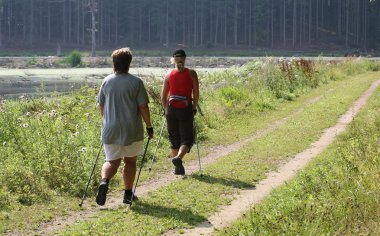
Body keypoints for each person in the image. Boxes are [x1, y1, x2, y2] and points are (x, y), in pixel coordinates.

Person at [96, 48, 153, 206]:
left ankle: (104, 182)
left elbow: (101, 105)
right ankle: (127, 194)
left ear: (114, 63)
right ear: (129, 63)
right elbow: (143, 107)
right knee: (130, 161)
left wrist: (108, 120)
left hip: (110, 129)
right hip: (131, 129)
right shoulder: (136, 82)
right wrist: (149, 126)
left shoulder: (106, 81)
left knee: (112, 161)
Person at [161, 49, 199, 175]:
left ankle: (177, 168)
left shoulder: (168, 75)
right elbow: (196, 93)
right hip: (185, 108)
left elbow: (163, 97)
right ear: (185, 59)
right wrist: (194, 107)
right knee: (187, 138)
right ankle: (178, 158)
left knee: (174, 138)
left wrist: (166, 109)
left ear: (173, 60)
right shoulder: (192, 73)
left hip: (171, 109)